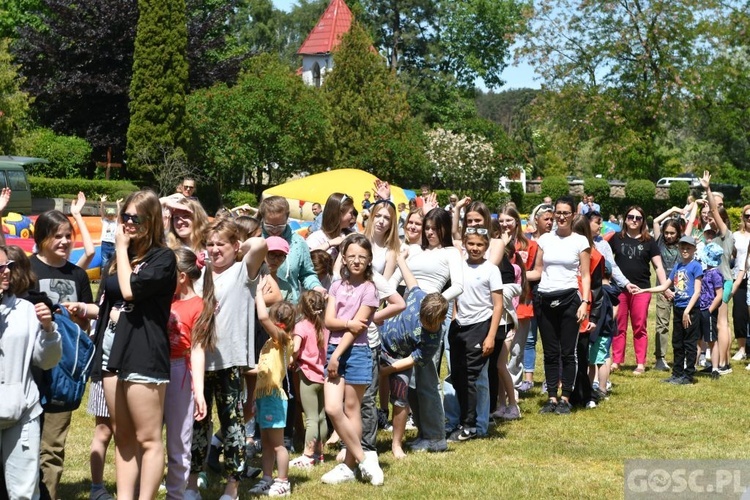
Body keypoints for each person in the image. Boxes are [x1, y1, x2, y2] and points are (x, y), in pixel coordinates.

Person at [89, 190, 177, 500]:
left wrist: (122, 249)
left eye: (134, 218)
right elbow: (107, 299)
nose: (127, 223)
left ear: (151, 220)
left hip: (144, 351)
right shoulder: (119, 258)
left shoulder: (163, 258)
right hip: (113, 349)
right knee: (122, 434)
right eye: (124, 216)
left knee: (148, 438)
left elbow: (128, 291)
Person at [185, 219, 266, 500]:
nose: (215, 249)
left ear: (234, 246)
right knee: (196, 426)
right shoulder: (199, 274)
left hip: (229, 361)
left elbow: (260, 244)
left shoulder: (243, 271)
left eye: (221, 244)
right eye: (210, 244)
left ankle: (232, 486)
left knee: (232, 424)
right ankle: (191, 483)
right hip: (196, 362)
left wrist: (237, 246)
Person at [30, 208, 95, 500]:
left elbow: (87, 322)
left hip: (63, 372)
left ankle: (49, 495)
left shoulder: (78, 275)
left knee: (53, 445)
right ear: (42, 237)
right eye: (58, 236)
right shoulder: (27, 270)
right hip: (29, 368)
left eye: (69, 236)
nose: (65, 241)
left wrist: (79, 315)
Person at [388, 204, 463, 451]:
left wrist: (436, 302)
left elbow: (459, 286)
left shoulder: (451, 253)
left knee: (427, 377)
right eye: (427, 227)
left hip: (432, 317)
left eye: (435, 228)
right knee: (409, 381)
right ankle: (424, 432)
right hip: (406, 319)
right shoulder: (413, 250)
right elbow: (395, 280)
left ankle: (436, 436)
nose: (430, 232)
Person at [0, 245, 62, 500]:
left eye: (8, 266)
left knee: (24, 493)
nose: (6, 272)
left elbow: (46, 361)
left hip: (23, 412)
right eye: (0, 268)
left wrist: (48, 330)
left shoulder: (26, 310)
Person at [320, 234, 382, 486]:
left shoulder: (370, 289)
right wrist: (347, 323)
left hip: (355, 352)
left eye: (362, 257)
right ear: (344, 258)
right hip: (335, 350)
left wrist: (336, 353)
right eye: (352, 256)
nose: (356, 261)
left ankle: (349, 466)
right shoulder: (336, 286)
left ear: (369, 261)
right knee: (333, 408)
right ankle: (363, 459)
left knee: (352, 408)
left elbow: (358, 329)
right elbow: (329, 321)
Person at [379, 254, 449, 457]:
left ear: (441, 319)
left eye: (430, 323)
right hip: (385, 346)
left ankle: (435, 438)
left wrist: (388, 370)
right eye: (423, 319)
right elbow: (413, 283)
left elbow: (412, 360)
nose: (425, 324)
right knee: (413, 391)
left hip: (401, 358)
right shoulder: (420, 299)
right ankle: (425, 433)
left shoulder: (432, 338)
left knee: (425, 390)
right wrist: (401, 261)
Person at [527, 196, 591, 415]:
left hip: (570, 300)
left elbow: (585, 274)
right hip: (545, 299)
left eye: (566, 213)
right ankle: (552, 397)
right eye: (558, 212)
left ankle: (566, 398)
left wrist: (584, 302)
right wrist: (514, 273)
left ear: (573, 215)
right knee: (550, 352)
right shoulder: (545, 239)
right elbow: (537, 270)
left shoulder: (580, 241)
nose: (561, 217)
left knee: (567, 352)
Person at [448, 226, 504, 440]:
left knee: (472, 378)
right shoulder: (459, 268)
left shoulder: (491, 270)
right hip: (459, 327)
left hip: (480, 326)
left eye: (480, 245)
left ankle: (470, 425)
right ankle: (462, 419)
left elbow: (497, 306)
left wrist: (490, 336)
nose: (475, 248)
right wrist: (454, 320)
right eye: (471, 244)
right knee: (459, 376)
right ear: (464, 244)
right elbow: (456, 296)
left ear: (486, 247)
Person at [163, 248, 211, 499]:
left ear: (182, 276)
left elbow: (198, 348)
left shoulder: (198, 305)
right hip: (154, 368)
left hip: (179, 372)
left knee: (179, 442)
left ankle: (176, 495)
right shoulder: (162, 297)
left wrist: (199, 391)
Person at [247, 290, 296, 497]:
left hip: (275, 398)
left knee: (278, 444)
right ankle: (267, 478)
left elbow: (262, 317)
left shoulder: (283, 339)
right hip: (264, 397)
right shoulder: (270, 343)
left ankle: (283, 481)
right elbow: (262, 369)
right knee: (266, 443)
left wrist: (257, 293)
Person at [636, 235, 703, 384]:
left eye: (688, 248)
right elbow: (664, 286)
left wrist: (687, 311)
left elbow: (697, 291)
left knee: (689, 343)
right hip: (678, 309)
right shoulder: (677, 267)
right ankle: (677, 373)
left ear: (694, 249)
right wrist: (644, 290)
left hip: (690, 310)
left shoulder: (696, 266)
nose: (685, 250)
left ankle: (688, 375)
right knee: (677, 342)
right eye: (683, 247)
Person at [609, 205, 667, 374]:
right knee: (619, 325)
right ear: (625, 219)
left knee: (639, 325)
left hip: (641, 290)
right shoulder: (616, 238)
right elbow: (604, 258)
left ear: (643, 221)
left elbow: (658, 266)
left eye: (638, 218)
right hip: (619, 289)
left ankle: (640, 363)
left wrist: (664, 287)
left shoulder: (649, 241)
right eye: (630, 217)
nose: (634, 220)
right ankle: (616, 361)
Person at [259, 196, 325, 303]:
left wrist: (316, 287)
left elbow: (307, 274)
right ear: (262, 218)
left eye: (280, 226)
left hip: (289, 308)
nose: (275, 231)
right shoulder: (255, 240)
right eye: (270, 226)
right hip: (258, 309)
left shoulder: (298, 242)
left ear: (287, 218)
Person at [699, 171, 734, 375]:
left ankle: (721, 365)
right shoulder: (713, 236)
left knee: (721, 323)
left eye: (715, 218)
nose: (711, 218)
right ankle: (722, 362)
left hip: (723, 283)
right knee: (721, 323)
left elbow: (713, 209)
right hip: (715, 282)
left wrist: (708, 189)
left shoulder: (725, 234)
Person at [289, 290, 328, 468]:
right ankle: (320, 453)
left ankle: (308, 455)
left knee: (311, 418)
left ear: (302, 308)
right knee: (321, 416)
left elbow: (296, 348)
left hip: (307, 376)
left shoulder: (301, 326)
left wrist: (290, 358)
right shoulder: (326, 326)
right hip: (323, 376)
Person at [651, 207, 685, 371]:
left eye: (672, 233)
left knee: (681, 324)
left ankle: (682, 355)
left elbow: (691, 221)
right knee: (662, 324)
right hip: (663, 289)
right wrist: (671, 210)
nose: (669, 235)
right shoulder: (658, 243)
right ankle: (660, 358)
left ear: (678, 233)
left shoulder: (683, 244)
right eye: (667, 233)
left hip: (681, 290)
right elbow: (656, 221)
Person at [696, 243, 725, 380]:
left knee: (712, 340)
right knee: (698, 339)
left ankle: (714, 368)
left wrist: (709, 310)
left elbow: (719, 295)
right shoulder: (704, 272)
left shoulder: (716, 273)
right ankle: (692, 365)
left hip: (708, 310)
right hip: (700, 309)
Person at [306, 193, 356, 258]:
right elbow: (307, 258)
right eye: (350, 213)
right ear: (339, 214)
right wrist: (329, 244)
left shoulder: (349, 235)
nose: (352, 217)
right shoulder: (316, 238)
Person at [730, 204, 750, 361]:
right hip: (739, 278)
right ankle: (742, 348)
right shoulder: (736, 236)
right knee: (739, 313)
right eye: (747, 216)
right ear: (743, 218)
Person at [99, 195, 119, 273]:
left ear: (114, 215)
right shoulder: (105, 221)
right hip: (105, 243)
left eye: (112, 215)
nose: (110, 217)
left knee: (113, 262)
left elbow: (119, 214)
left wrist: (117, 204)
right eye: (109, 215)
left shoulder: (116, 222)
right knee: (104, 262)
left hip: (113, 244)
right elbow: (101, 212)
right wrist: (102, 203)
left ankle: (111, 275)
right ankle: (103, 276)